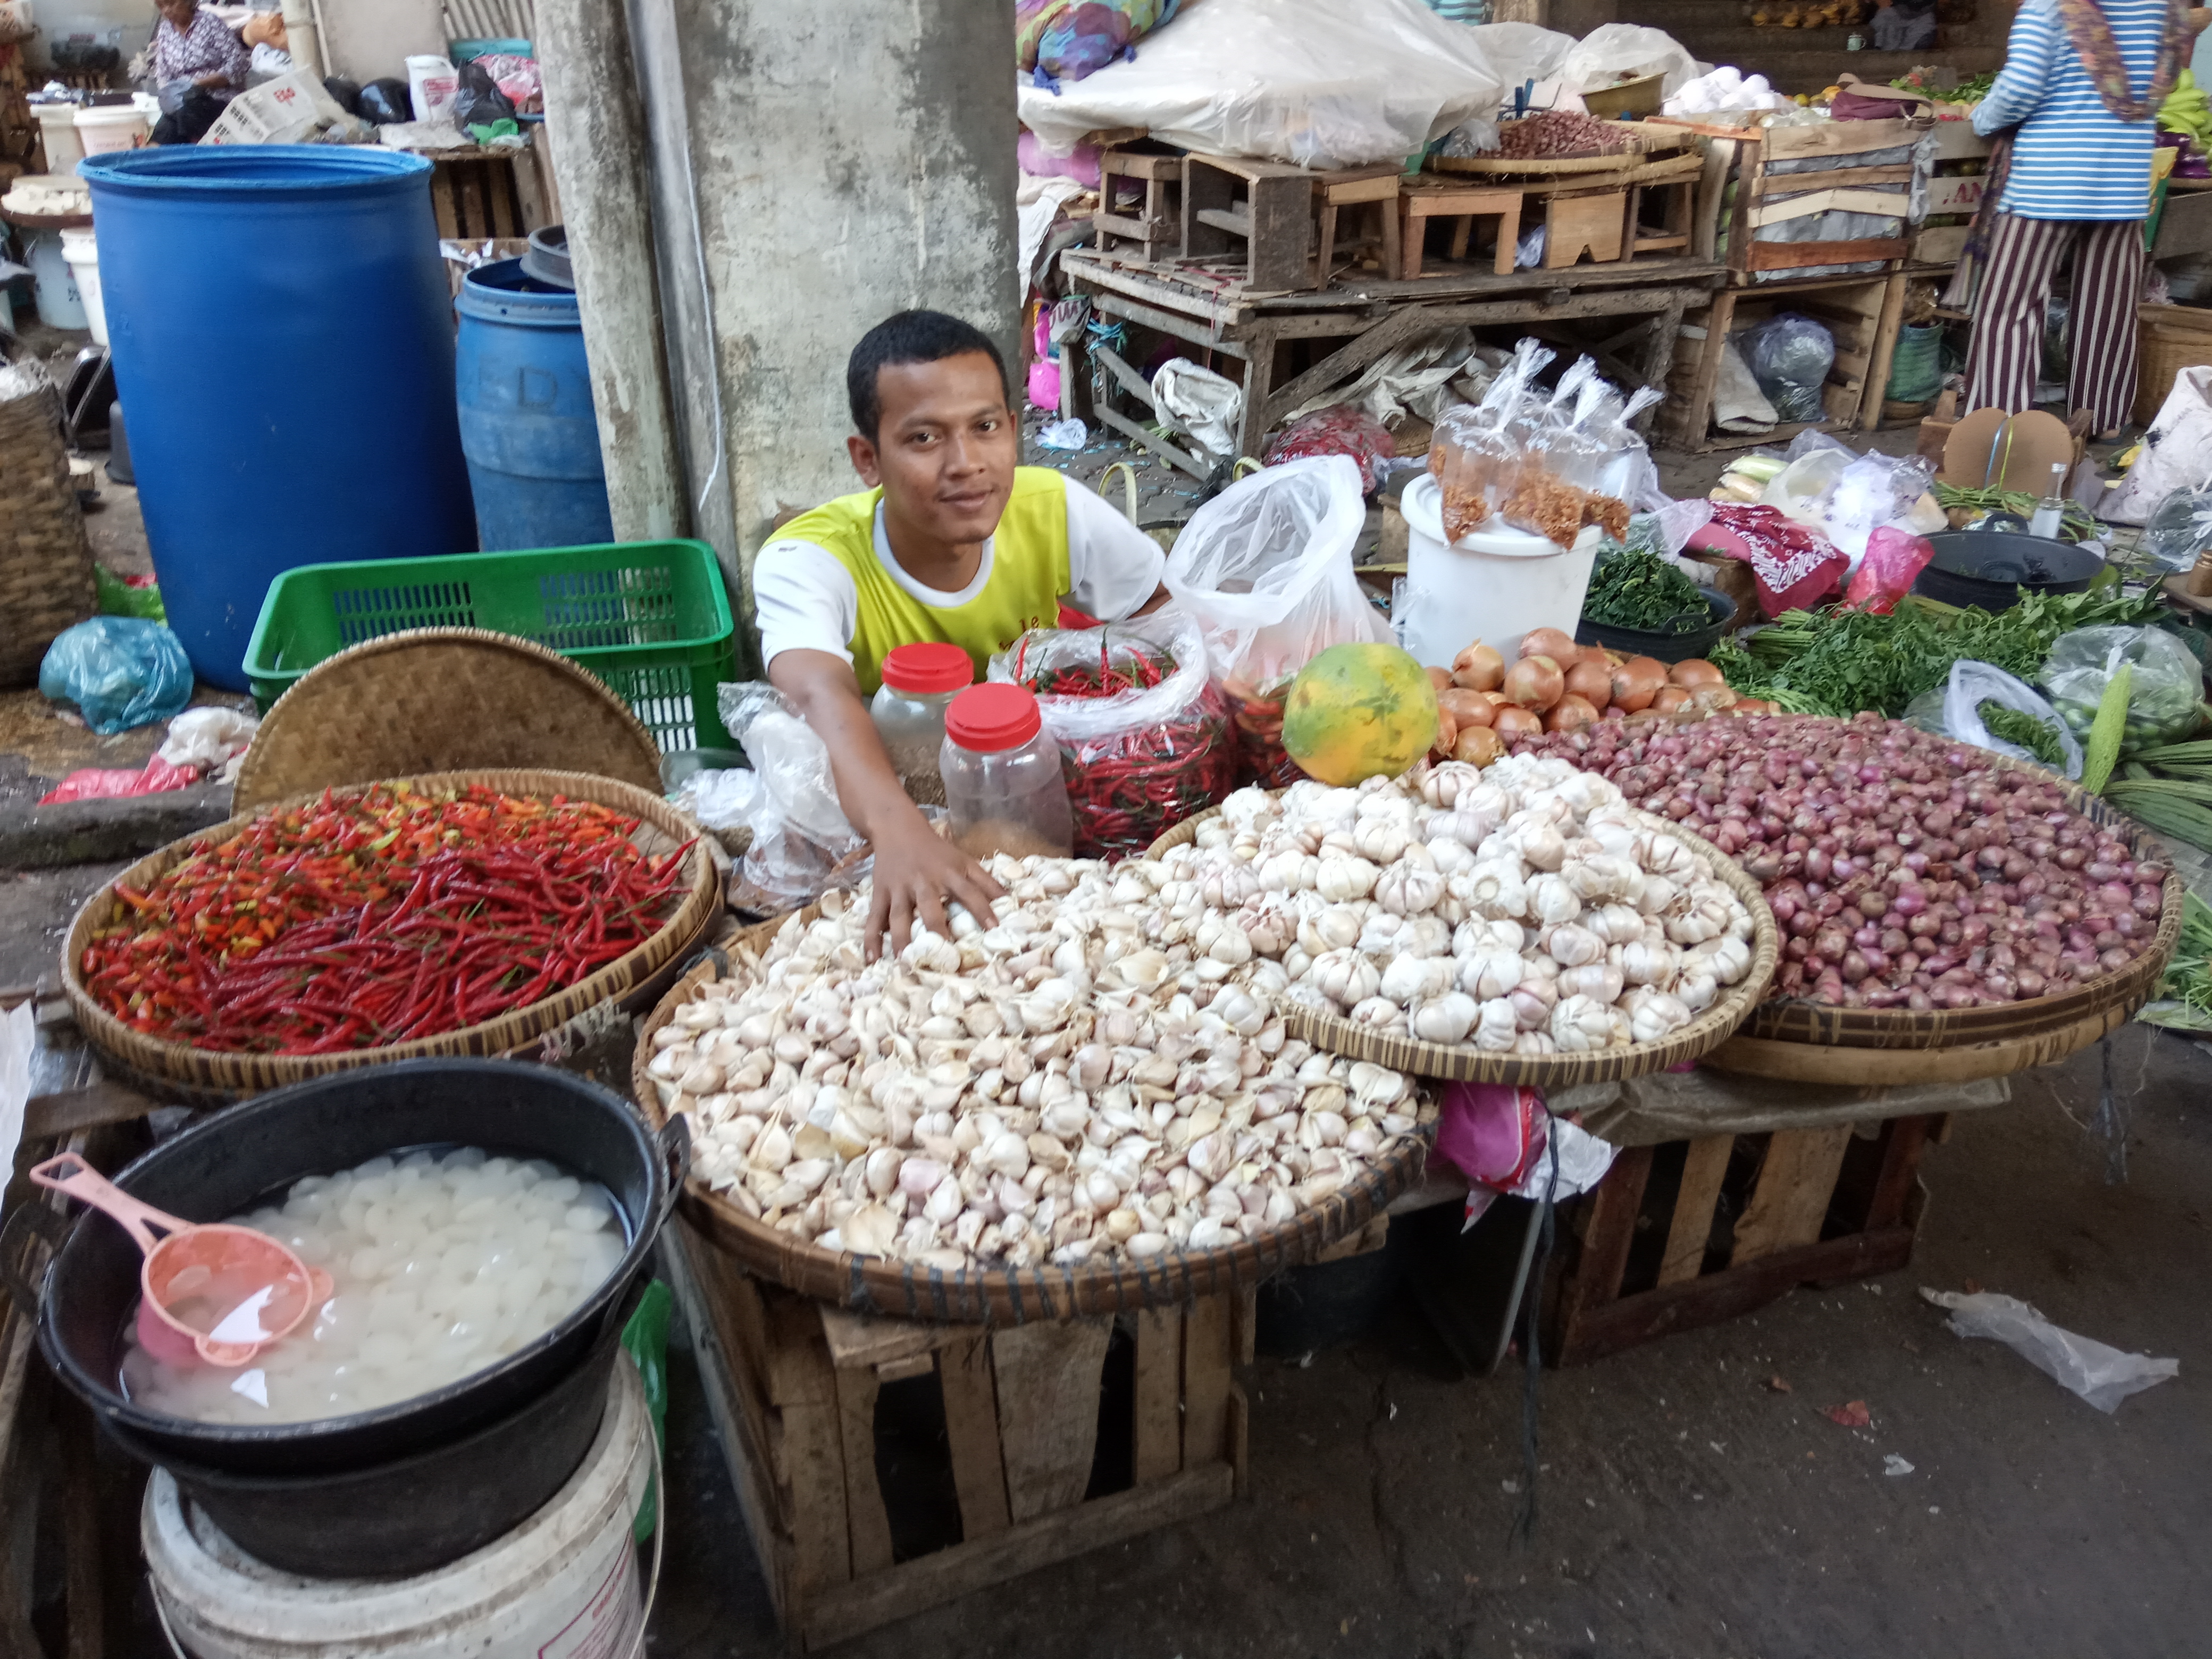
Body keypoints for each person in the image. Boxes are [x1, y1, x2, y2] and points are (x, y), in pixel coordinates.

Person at [755, 309, 1169, 956]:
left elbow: (1165, 625)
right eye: (923, 439)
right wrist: (899, 832)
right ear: (868, 459)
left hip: (1037, 806)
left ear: (1012, 429)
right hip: (887, 809)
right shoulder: (809, 558)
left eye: (984, 429)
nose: (966, 464)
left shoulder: (1055, 511)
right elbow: (818, 695)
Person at [1961, 0, 2194, 435]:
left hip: (2048, 183)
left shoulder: (2050, 6)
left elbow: (2020, 89)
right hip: (2123, 183)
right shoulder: (2166, 10)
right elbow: (2162, 83)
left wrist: (1980, 118)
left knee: (2011, 308)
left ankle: (1996, 426)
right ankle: (2104, 421)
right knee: (2110, 309)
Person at [150, 0, 248, 111]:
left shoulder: (210, 22)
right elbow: (163, 73)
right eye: (161, 6)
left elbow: (238, 63)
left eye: (171, 4)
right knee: (164, 127)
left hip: (216, 98)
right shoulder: (165, 30)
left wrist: (198, 84)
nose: (166, 10)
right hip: (183, 101)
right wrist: (170, 93)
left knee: (188, 114)